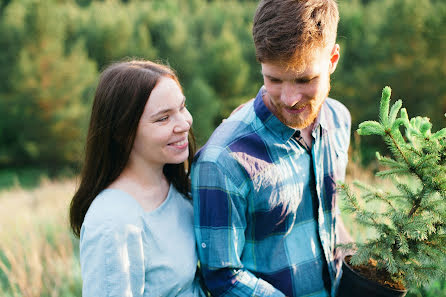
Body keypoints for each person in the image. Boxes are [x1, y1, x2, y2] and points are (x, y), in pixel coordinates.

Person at [192, 0, 352, 296]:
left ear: (332, 59)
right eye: (274, 79)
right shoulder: (222, 161)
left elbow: (330, 216)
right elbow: (222, 276)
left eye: (305, 79)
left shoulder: (339, 120)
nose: (290, 98)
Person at [69, 60, 205, 297]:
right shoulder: (113, 222)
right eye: (163, 118)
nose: (184, 124)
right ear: (123, 132)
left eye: (182, 108)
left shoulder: (179, 186)